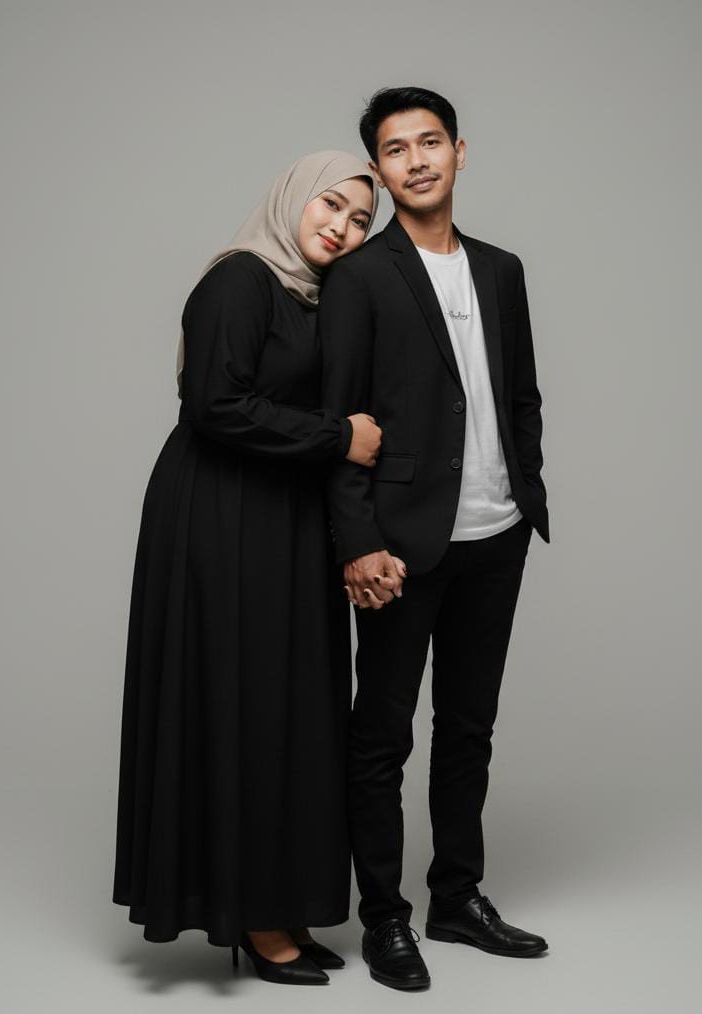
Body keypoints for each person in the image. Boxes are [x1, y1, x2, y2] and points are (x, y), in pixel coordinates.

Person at [113, 150, 387, 986]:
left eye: (360, 221)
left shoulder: (316, 297)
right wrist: (340, 437)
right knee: (239, 698)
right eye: (331, 206)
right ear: (293, 199)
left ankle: (277, 902)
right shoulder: (239, 280)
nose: (341, 228)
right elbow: (215, 404)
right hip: (221, 514)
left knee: (291, 706)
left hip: (286, 515)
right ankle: (250, 916)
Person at [319, 87, 551, 991]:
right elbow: (342, 417)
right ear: (379, 171)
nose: (416, 160)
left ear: (459, 151)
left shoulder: (502, 269)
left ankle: (457, 896)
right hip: (401, 545)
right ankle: (385, 918)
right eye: (395, 149)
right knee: (381, 736)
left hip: (497, 533)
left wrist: (526, 488)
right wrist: (356, 541)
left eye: (430, 142)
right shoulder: (361, 275)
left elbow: (521, 395)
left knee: (468, 728)